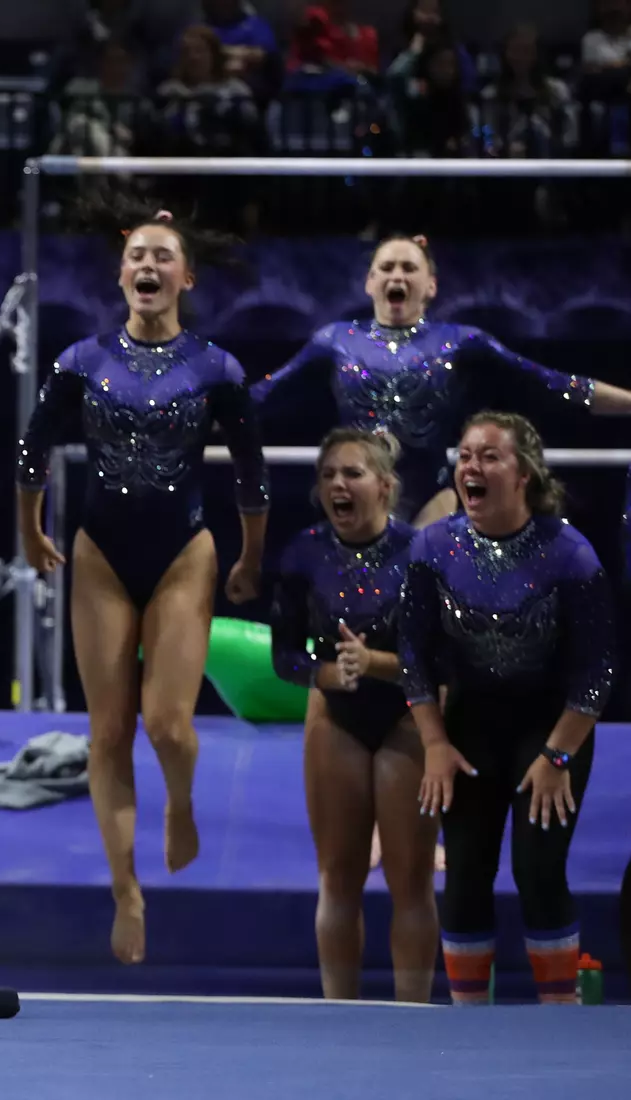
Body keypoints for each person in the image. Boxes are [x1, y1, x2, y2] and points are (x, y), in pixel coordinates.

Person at [17, 207, 268, 965]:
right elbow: (32, 449)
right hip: (100, 554)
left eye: (163, 256)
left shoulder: (216, 368)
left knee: (168, 727)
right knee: (107, 732)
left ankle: (180, 803)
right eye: (137, 256)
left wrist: (250, 556)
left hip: (182, 552)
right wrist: (30, 529)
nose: (148, 266)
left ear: (185, 278)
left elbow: (250, 471)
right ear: (121, 274)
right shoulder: (81, 360)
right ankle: (125, 888)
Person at [400, 411, 615, 1005]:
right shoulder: (432, 548)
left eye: (489, 456)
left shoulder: (569, 554)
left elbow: (598, 670)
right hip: (469, 726)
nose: (471, 466)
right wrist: (434, 743)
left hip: (550, 728)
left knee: (538, 869)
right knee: (466, 873)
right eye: (466, 455)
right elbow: (413, 654)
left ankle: (560, 1016)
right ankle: (469, 1027)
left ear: (523, 474)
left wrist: (557, 756)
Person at [252, 235, 631, 526]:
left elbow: (552, 384)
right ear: (369, 282)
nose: (397, 275)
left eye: (408, 268)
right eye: (386, 267)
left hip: (432, 499)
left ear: (431, 285)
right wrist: (217, 411)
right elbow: (263, 395)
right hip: (359, 497)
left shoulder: (460, 341)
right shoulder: (335, 340)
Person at [268, 428, 437, 1002]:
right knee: (338, 878)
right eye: (328, 475)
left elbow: (443, 661)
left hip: (407, 718)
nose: (337, 484)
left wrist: (376, 664)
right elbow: (284, 654)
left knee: (410, 881)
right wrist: (325, 674)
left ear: (385, 486)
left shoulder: (422, 554)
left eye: (352, 473)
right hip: (337, 717)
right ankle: (339, 1018)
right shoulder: (303, 553)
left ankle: (412, 1018)